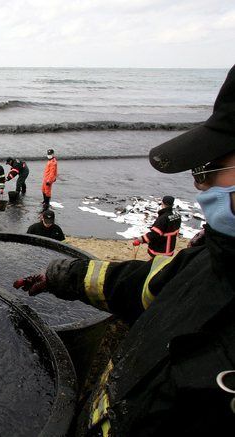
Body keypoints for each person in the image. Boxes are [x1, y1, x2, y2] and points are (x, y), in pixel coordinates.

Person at [14, 65, 235, 436]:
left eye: (208, 168)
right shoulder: (217, 260)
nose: (203, 186)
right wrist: (64, 276)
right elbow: (153, 284)